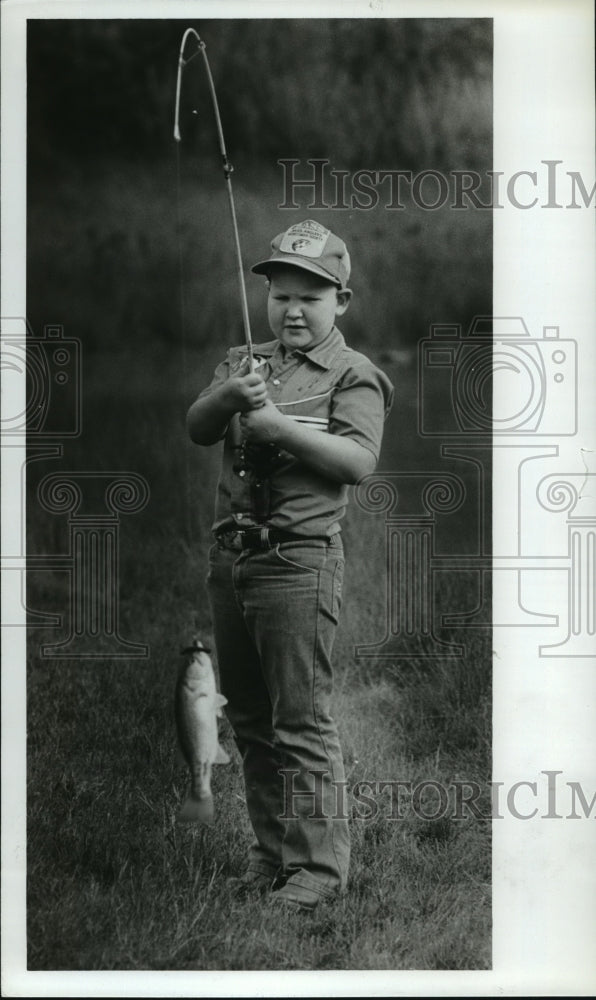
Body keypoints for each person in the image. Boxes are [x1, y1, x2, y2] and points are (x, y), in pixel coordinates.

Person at [187, 219, 394, 910]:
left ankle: (317, 869)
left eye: (312, 295)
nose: (293, 310)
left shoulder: (353, 374)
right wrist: (230, 396)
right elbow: (199, 426)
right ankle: (271, 853)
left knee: (299, 720)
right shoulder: (244, 362)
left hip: (298, 565)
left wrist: (276, 427)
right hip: (235, 562)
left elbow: (359, 462)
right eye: (281, 296)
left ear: (343, 300)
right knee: (248, 718)